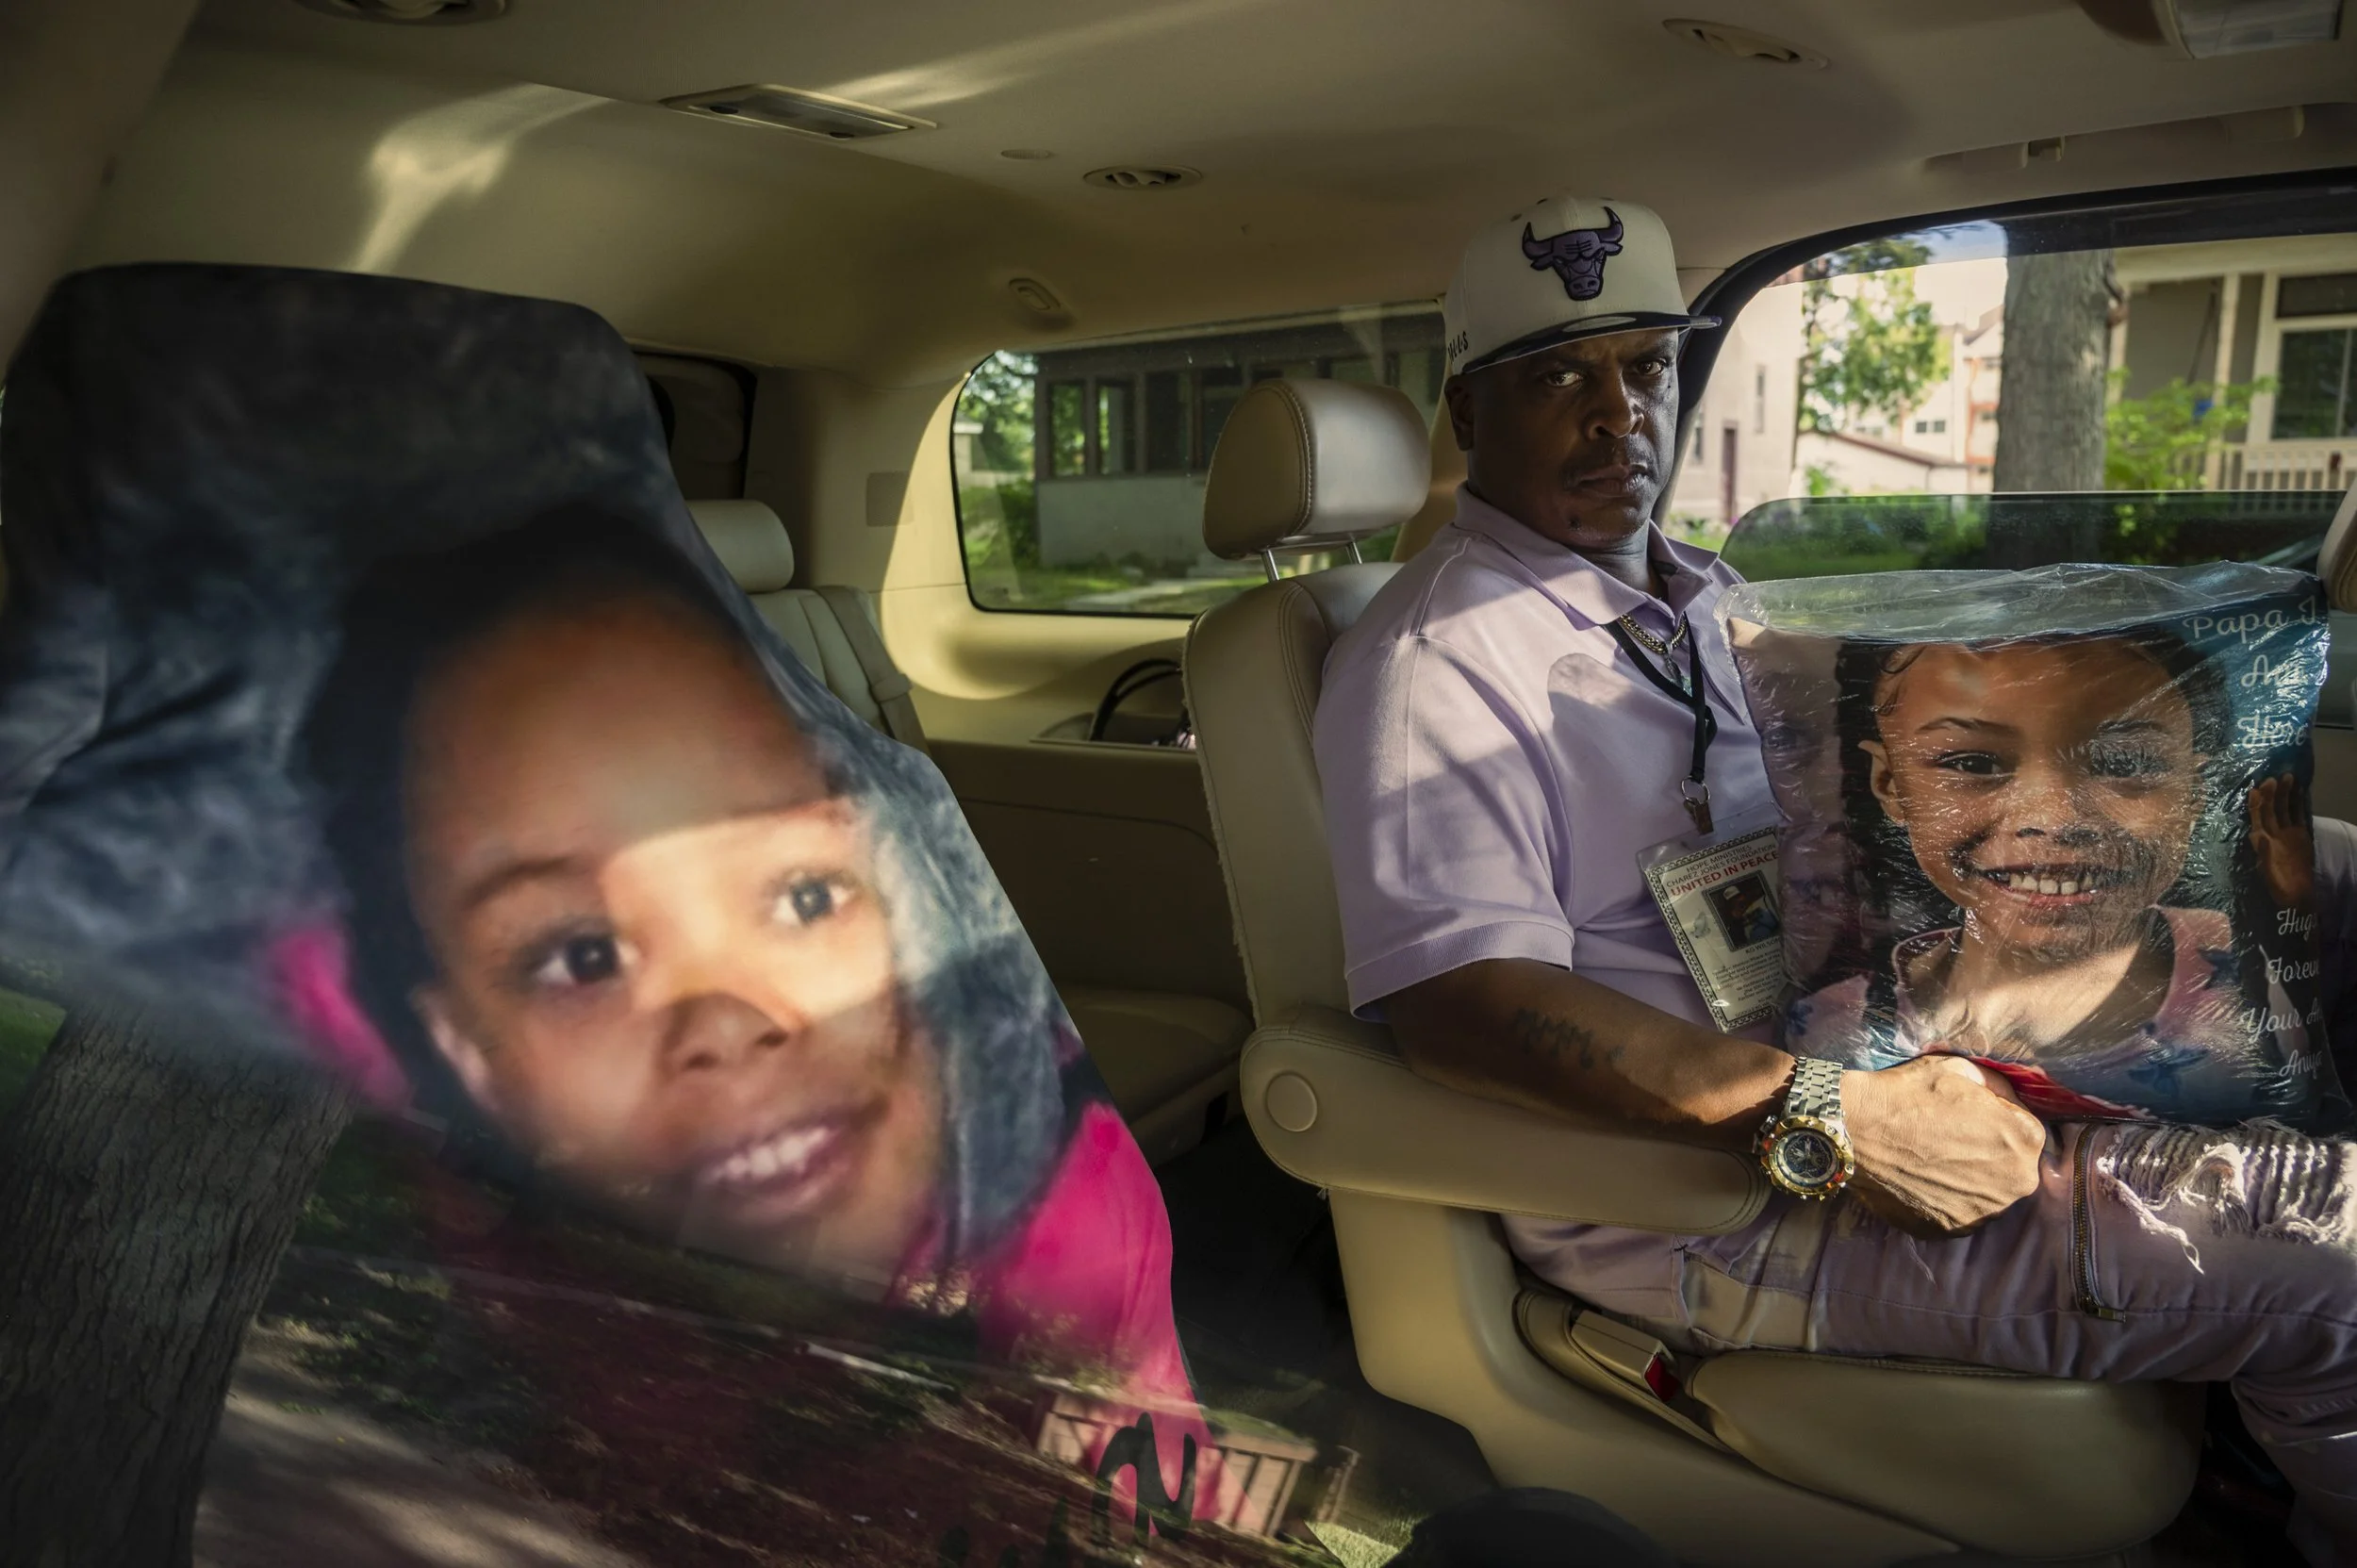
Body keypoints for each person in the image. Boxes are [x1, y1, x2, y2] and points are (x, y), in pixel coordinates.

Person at [1315, 190, 2357, 1561]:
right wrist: (1831, 1111)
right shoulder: (1433, 664)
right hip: (1709, 1191)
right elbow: (1461, 1003)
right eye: (1557, 376)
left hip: (1860, 1055)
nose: (1617, 413)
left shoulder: (1697, 597)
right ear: (1469, 417)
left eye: (1644, 368)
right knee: (2345, 1264)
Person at [291, 506, 1215, 1509]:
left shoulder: (1065, 1229)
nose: (727, 1017)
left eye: (803, 897)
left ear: (899, 915)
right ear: (465, 1054)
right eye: (584, 956)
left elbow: (1158, 1508)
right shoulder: (423, 1220)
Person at [1786, 632, 2319, 1122]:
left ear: (2195, 793)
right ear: (1889, 782)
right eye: (1971, 763)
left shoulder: (2248, 962)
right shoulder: (1843, 1030)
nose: (2056, 818)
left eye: (2126, 763)